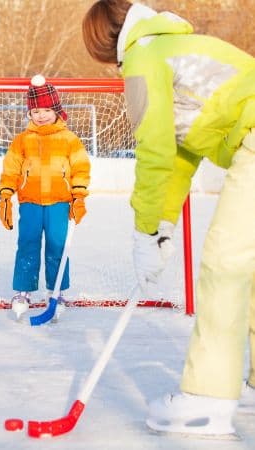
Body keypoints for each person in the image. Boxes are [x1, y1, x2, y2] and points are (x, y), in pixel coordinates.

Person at [82, 0, 255, 438]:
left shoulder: (143, 58)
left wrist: (143, 233)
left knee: (226, 266)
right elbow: (180, 155)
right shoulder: (171, 47)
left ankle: (207, 399)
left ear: (105, 40)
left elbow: (154, 150)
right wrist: (163, 226)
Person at [0, 75, 91, 319]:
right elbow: (11, 168)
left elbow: (80, 167)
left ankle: (56, 290)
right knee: (27, 244)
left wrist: (79, 196)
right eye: (36, 110)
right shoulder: (22, 140)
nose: (41, 115)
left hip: (60, 203)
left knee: (57, 247)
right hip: (30, 203)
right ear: (30, 113)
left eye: (46, 110)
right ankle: (23, 290)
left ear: (57, 110)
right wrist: (6, 195)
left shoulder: (69, 139)